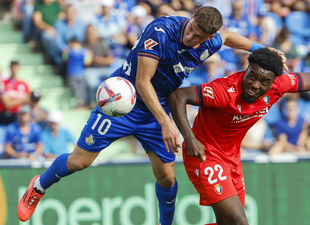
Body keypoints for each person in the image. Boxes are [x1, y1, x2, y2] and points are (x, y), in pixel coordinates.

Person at [17, 6, 286, 224]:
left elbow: (227, 37)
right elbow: (143, 82)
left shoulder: (210, 41)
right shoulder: (161, 31)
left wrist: (261, 50)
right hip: (122, 102)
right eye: (191, 29)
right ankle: (38, 187)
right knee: (79, 162)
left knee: (167, 178)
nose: (191, 37)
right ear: (190, 19)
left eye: (198, 37)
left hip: (156, 112)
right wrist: (166, 122)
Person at [168, 48, 310, 224]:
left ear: (273, 82)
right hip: (205, 155)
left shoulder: (280, 85)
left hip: (231, 158)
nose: (255, 85)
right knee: (238, 221)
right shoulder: (224, 91)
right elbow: (178, 97)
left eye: (263, 81)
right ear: (246, 70)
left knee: (227, 222)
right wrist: (189, 138)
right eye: (252, 76)